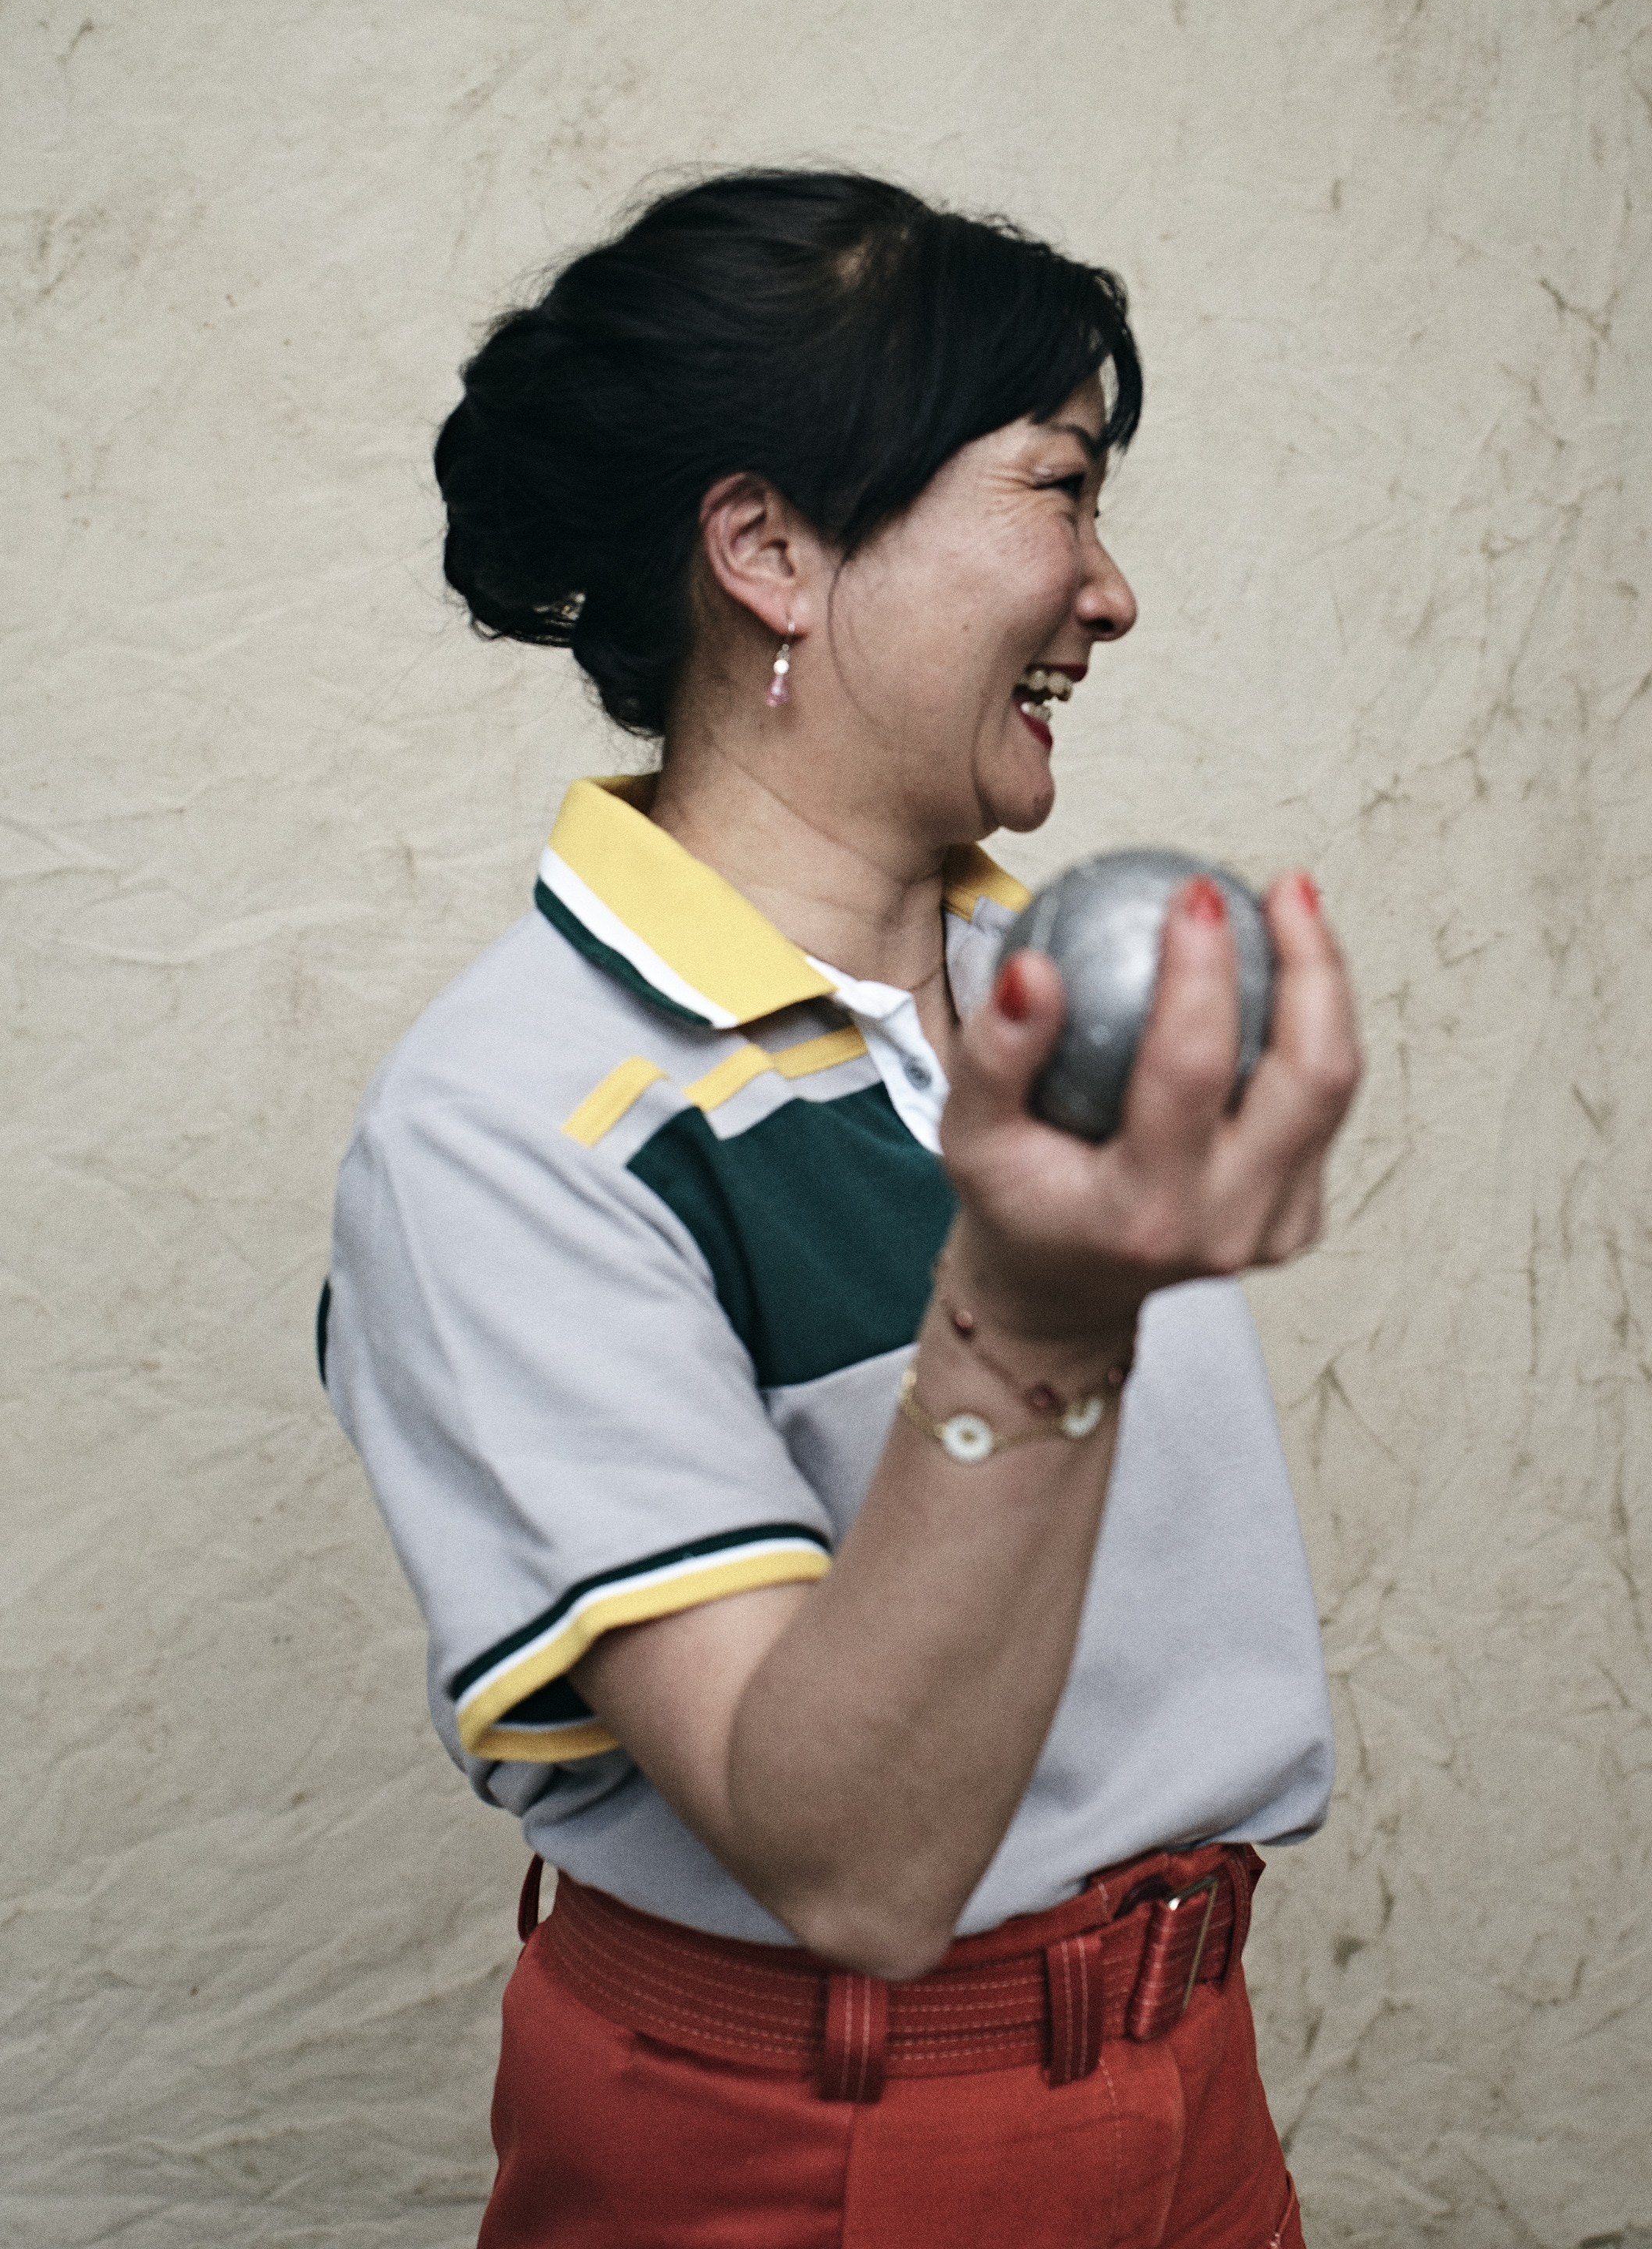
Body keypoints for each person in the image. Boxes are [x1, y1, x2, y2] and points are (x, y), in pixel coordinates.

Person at [322, 170, 1360, 2249]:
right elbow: (857, 1869)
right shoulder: (505, 1129)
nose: (1112, 592)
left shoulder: (1053, 999)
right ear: (772, 551)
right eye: (1060, 488)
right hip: (827, 2145)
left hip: (1194, 2074)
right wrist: (1036, 1323)